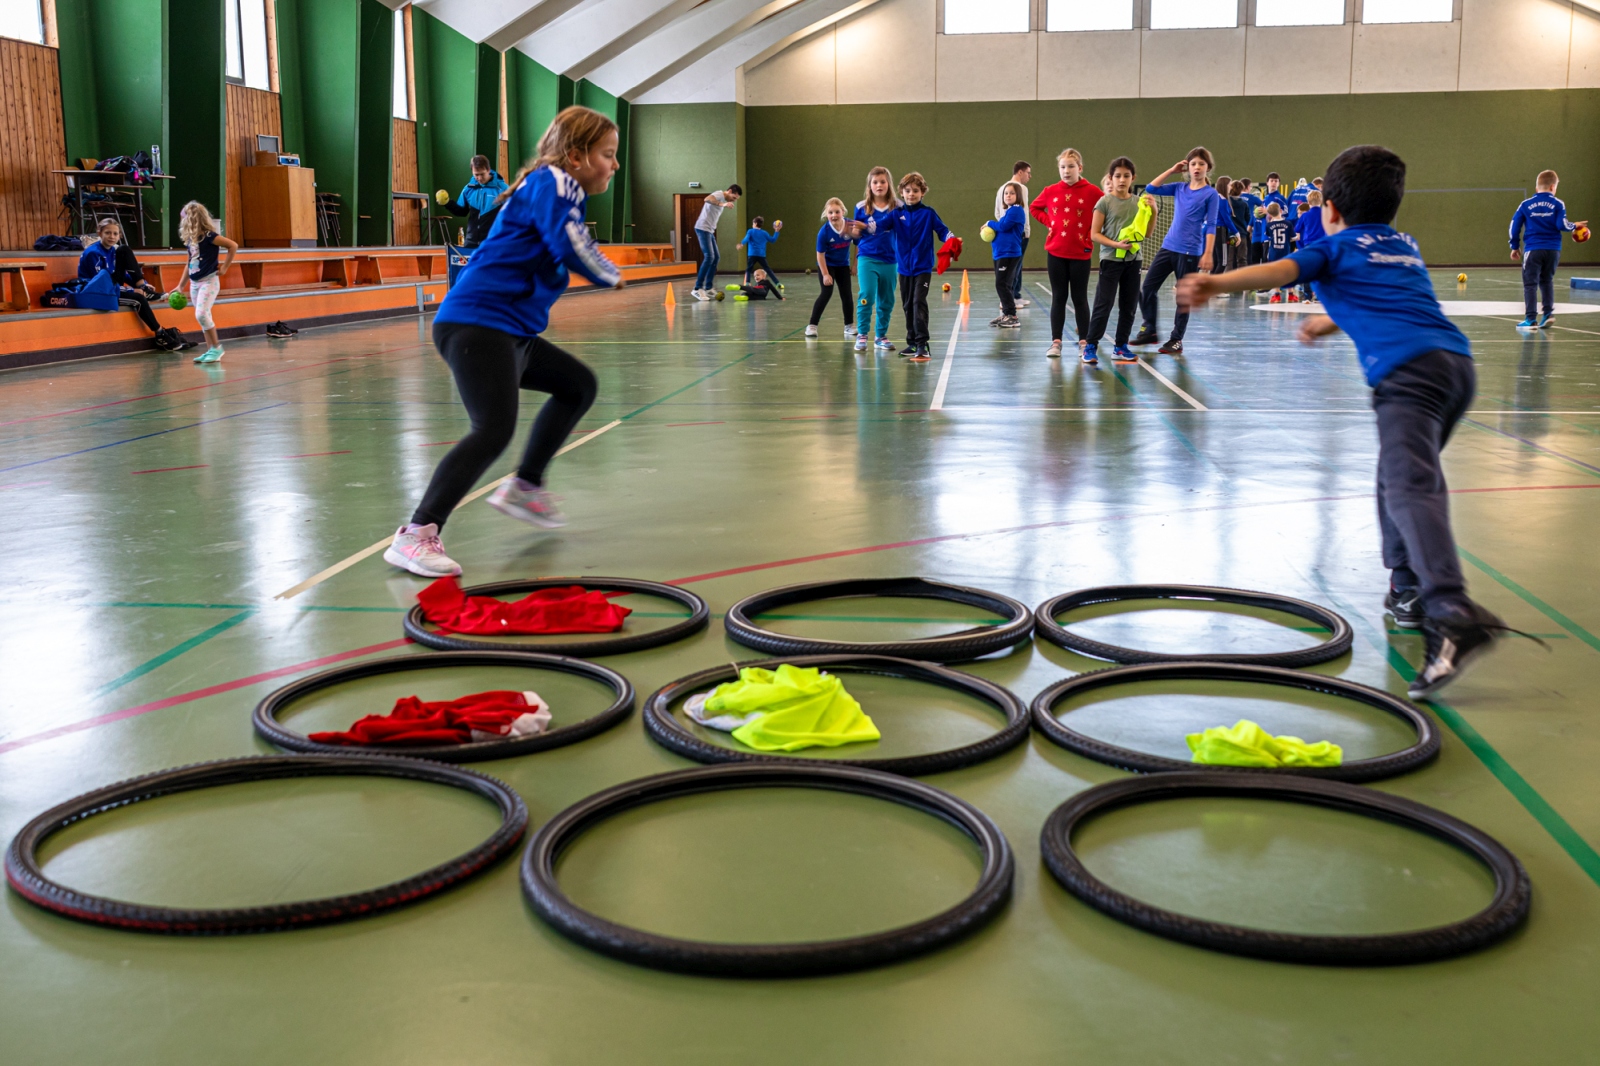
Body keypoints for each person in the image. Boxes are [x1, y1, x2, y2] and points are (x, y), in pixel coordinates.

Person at [1179, 144, 1522, 697]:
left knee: (1410, 485)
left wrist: (1215, 282)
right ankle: (1407, 589)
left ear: (1329, 207)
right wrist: (1328, 321)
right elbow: (1393, 300)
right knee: (1395, 478)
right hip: (1455, 367)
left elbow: (1281, 269)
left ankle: (1451, 609)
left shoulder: (1332, 246)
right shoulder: (1401, 245)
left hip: (1407, 377)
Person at [385, 106, 625, 579]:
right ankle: (415, 535)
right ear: (575, 156)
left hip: (509, 330)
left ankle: (525, 485)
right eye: (608, 154)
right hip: (478, 323)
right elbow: (569, 243)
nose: (614, 165)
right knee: (492, 428)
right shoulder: (554, 183)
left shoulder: (557, 189)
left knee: (578, 385)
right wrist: (609, 274)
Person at [1131, 147, 1225, 356]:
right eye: (1193, 164)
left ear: (1208, 168)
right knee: (1147, 287)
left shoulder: (1210, 194)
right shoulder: (1179, 188)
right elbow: (1151, 188)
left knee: (1183, 297)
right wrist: (1171, 170)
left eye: (1201, 164)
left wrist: (1208, 253)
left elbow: (1211, 225)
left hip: (1190, 251)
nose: (1197, 167)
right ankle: (1150, 329)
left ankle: (1176, 339)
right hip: (1168, 246)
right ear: (1188, 168)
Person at [78, 218, 189, 351]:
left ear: (119, 235)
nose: (111, 237)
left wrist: (142, 285)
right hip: (97, 292)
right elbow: (99, 284)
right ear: (99, 233)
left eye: (115, 234)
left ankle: (143, 287)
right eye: (108, 233)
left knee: (124, 249)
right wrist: (130, 290)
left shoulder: (114, 250)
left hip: (110, 287)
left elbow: (121, 274)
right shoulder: (93, 253)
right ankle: (160, 334)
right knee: (139, 299)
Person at [1030, 148, 1099, 359]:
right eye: (1062, 167)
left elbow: (1107, 210)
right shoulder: (1050, 191)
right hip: (1056, 253)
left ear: (1080, 168)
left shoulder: (1093, 192)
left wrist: (1092, 231)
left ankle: (1084, 342)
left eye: (1070, 167)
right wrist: (1050, 222)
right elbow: (1035, 208)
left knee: (1080, 299)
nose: (1066, 171)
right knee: (1058, 297)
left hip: (1081, 253)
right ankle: (1056, 342)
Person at [1081, 158, 1147, 365]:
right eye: (1117, 176)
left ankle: (1120, 347)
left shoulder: (1138, 203)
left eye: (1126, 176)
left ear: (1133, 178)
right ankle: (1090, 346)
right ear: (1110, 178)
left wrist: (1151, 212)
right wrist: (1116, 245)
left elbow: (1147, 232)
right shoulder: (1104, 202)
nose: (1121, 179)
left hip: (1134, 261)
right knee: (1104, 303)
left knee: (1129, 306)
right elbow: (1094, 234)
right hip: (1110, 260)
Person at [885, 172, 952, 361]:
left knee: (918, 303)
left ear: (922, 192)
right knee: (907, 305)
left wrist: (951, 239)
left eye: (915, 191)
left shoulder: (928, 213)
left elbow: (943, 231)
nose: (911, 194)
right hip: (904, 269)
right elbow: (879, 227)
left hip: (923, 267)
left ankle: (923, 344)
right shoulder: (896, 215)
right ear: (901, 193)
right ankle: (912, 342)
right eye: (907, 191)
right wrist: (862, 227)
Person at [1510, 170, 1587, 331]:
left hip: (1533, 249)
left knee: (1530, 283)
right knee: (1547, 280)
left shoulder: (1525, 205)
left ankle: (1531, 319)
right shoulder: (1558, 204)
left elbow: (1514, 226)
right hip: (1553, 250)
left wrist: (1515, 246)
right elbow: (1562, 225)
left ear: (1537, 187)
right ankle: (1548, 314)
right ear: (1553, 187)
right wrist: (1575, 225)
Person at [176, 201, 238, 364]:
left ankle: (217, 348)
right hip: (195, 283)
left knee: (201, 314)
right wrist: (181, 285)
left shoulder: (210, 237)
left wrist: (224, 267)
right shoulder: (192, 240)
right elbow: (189, 262)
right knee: (203, 317)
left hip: (209, 282)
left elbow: (233, 245)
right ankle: (211, 350)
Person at [853, 167, 900, 353]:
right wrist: (853, 232)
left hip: (890, 259)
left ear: (888, 184)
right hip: (867, 257)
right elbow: (856, 236)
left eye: (882, 181)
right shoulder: (861, 207)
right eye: (875, 182)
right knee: (867, 294)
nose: (879, 185)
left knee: (887, 299)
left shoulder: (898, 206)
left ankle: (881, 336)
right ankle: (862, 334)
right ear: (869, 185)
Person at [807, 198, 856, 337]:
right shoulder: (824, 232)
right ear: (826, 214)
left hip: (843, 265)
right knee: (826, 293)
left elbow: (858, 244)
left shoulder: (850, 226)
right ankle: (812, 325)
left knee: (846, 294)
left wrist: (854, 265)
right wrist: (826, 274)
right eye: (830, 212)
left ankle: (849, 325)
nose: (834, 215)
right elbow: (820, 255)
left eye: (837, 212)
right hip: (827, 265)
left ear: (843, 212)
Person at [442, 155, 510, 248]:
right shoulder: (468, 189)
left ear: (488, 170)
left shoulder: (503, 189)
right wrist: (447, 203)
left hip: (494, 243)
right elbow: (461, 211)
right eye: (476, 175)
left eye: (482, 174)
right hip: (471, 242)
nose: (479, 178)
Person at [691, 183, 741, 300]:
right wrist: (722, 204)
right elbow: (707, 199)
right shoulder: (719, 194)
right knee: (709, 257)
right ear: (729, 191)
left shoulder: (723, 197)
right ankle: (697, 289)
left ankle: (708, 288)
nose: (734, 200)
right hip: (702, 228)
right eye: (734, 198)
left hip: (709, 231)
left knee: (716, 258)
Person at [988, 181, 1027, 328]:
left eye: (1012, 193)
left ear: (1018, 196)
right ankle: (1006, 313)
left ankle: (1012, 315)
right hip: (1001, 253)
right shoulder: (1009, 211)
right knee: (1004, 284)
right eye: (1006, 193)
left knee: (1002, 284)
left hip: (1009, 253)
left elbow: (1002, 226)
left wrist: (989, 223)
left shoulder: (1017, 210)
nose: (1008, 195)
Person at [995, 161, 1032, 308]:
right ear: (1020, 172)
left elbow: (997, 213)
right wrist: (1026, 231)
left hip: (1005, 233)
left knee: (1017, 265)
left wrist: (1003, 226)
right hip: (1018, 233)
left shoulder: (1001, 189)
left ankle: (1015, 295)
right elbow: (1025, 212)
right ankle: (1009, 297)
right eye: (1028, 173)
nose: (1030, 176)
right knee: (1014, 266)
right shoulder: (1021, 188)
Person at [1292, 189, 1327, 301]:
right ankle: (1319, 294)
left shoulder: (1305, 215)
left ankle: (1307, 294)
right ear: (1321, 201)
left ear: (1308, 202)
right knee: (1321, 269)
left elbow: (1297, 229)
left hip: (1309, 244)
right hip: (1322, 244)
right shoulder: (1325, 213)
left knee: (1308, 269)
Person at [1262, 202, 1293, 302]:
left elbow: (1269, 236)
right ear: (1281, 211)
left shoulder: (1269, 225)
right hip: (1285, 251)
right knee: (1288, 273)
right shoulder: (1288, 224)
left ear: (1269, 214)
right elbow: (1292, 237)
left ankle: (1276, 294)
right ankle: (1291, 294)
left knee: (1275, 273)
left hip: (1274, 251)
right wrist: (1296, 237)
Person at [739, 215, 782, 285]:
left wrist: (742, 243)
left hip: (752, 254)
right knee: (768, 269)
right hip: (761, 255)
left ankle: (747, 282)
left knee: (748, 269)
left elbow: (746, 238)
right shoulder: (764, 233)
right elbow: (773, 240)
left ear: (755, 223)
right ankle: (777, 283)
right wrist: (776, 231)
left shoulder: (750, 231)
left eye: (753, 223)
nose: (752, 225)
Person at [1227, 181, 1252, 272]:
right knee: (1242, 259)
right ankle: (1243, 280)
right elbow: (1248, 219)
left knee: (1229, 259)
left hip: (1231, 234)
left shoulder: (1227, 202)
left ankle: (1227, 279)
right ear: (1241, 191)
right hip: (1242, 234)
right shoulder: (1244, 204)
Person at [1241, 179, 1266, 265]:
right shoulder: (1252, 198)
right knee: (1248, 251)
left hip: (1235, 228)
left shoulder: (1235, 197)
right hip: (1247, 227)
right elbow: (1263, 205)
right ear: (1248, 187)